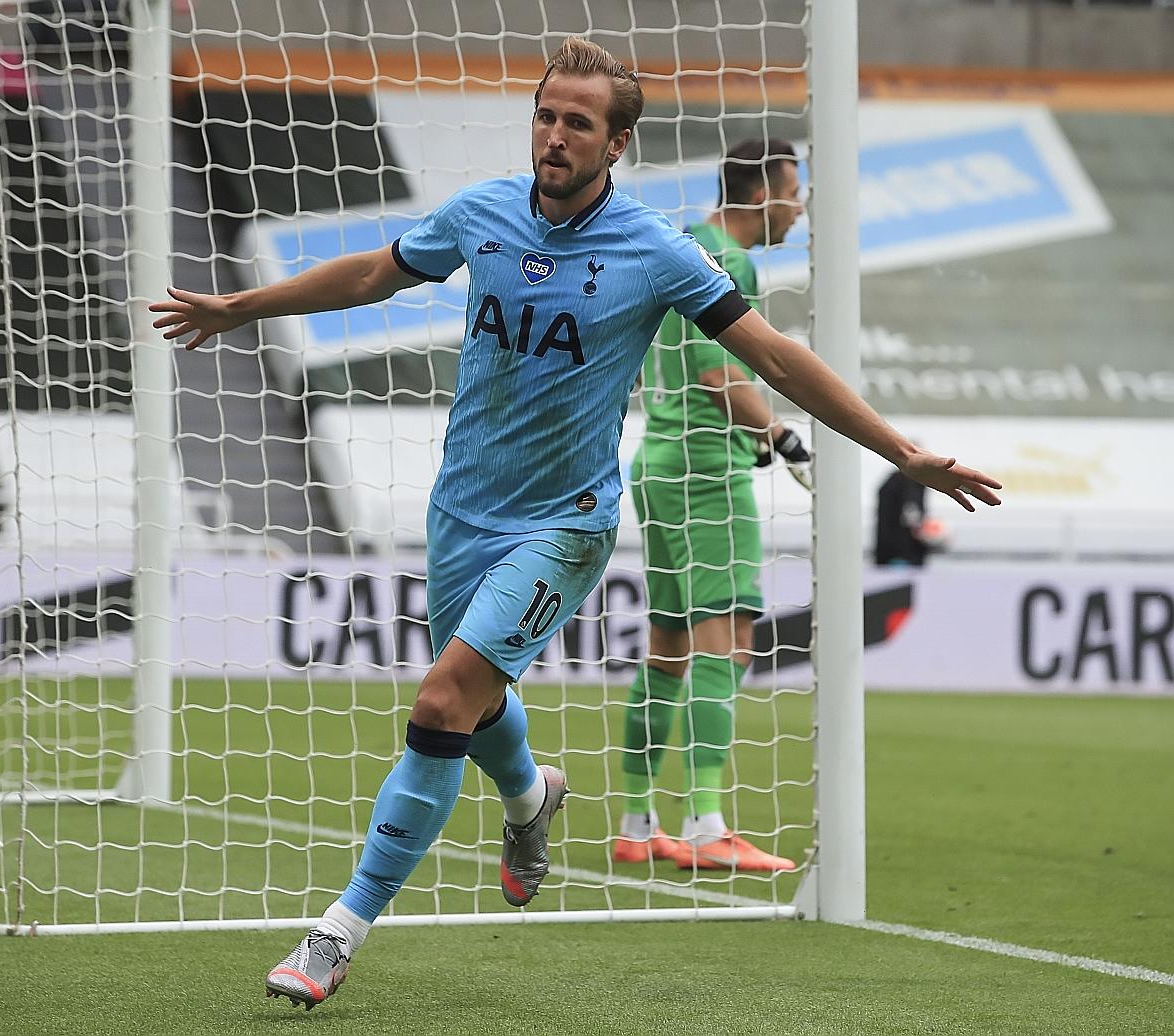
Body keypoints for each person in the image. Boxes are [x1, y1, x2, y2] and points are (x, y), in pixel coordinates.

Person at [152, 37, 1002, 1010]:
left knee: (438, 706)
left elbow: (770, 357)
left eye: (579, 122)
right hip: (461, 512)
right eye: (547, 115)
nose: (555, 135)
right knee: (468, 708)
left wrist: (902, 453)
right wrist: (242, 306)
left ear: (618, 143)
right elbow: (370, 276)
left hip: (566, 523)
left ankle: (336, 932)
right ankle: (530, 796)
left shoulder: (657, 252)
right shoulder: (482, 213)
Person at [614, 138, 808, 873]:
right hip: (703, 472)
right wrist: (780, 432)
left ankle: (638, 823)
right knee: (727, 641)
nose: (800, 206)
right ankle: (705, 825)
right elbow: (719, 374)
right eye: (795, 190)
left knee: (667, 649)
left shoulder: (682, 246)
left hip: (659, 464)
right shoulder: (732, 259)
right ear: (761, 194)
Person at [874, 465, 950, 566]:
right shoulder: (912, 484)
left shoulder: (889, 483)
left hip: (885, 551)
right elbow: (912, 517)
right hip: (905, 554)